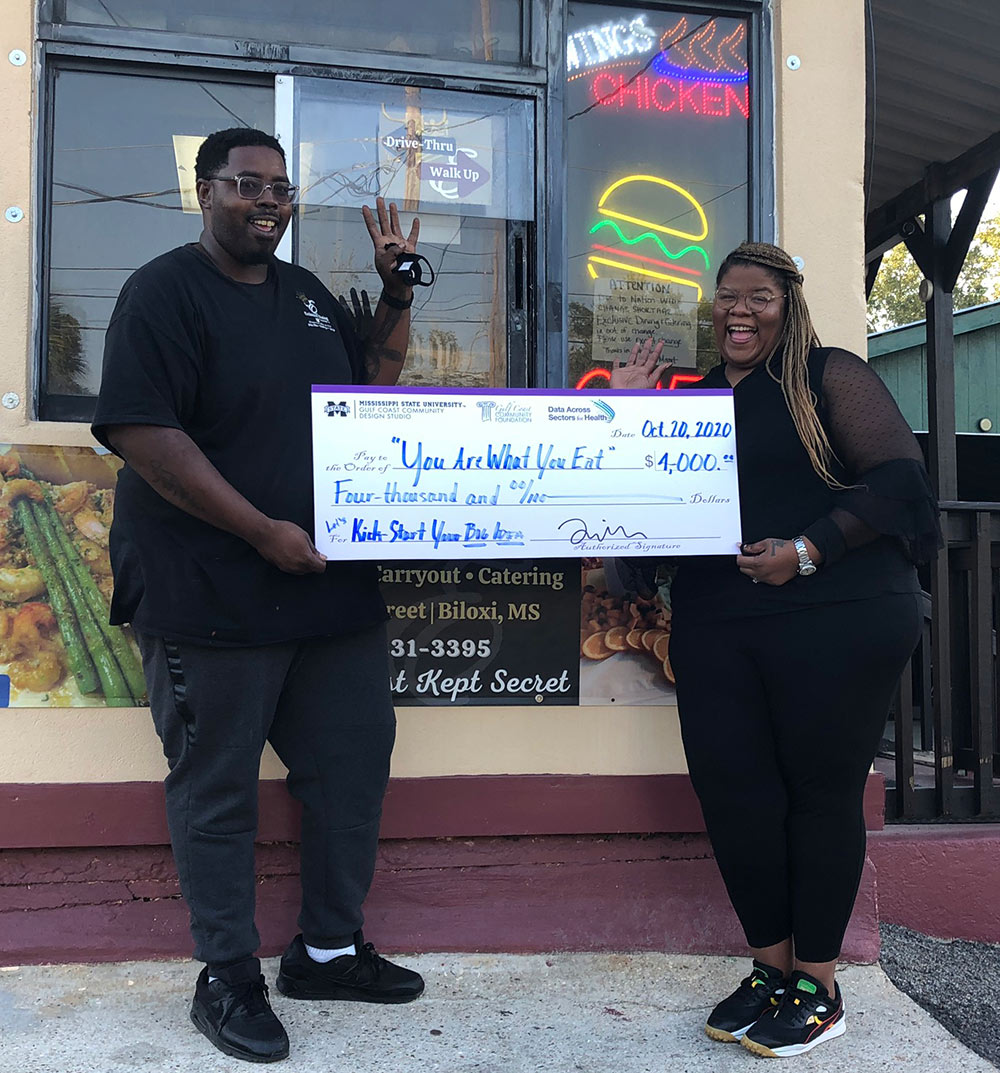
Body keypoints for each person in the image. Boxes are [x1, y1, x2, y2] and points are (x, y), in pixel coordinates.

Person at [92, 127, 425, 1064]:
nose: (268, 200)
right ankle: (227, 974)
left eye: (281, 188)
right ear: (204, 192)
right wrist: (260, 531)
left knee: (351, 774)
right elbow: (145, 436)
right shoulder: (162, 292)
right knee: (218, 789)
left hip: (329, 593)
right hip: (210, 595)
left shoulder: (309, 296)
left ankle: (326, 948)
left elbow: (374, 387)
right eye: (247, 184)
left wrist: (396, 290)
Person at [611, 242, 940, 1059]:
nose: (739, 310)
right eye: (727, 296)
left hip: (839, 611)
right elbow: (632, 518)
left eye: (758, 296)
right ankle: (769, 969)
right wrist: (625, 416)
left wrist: (809, 546)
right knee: (734, 793)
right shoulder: (682, 402)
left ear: (787, 306)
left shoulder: (829, 377)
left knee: (819, 795)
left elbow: (900, 482)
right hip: (719, 622)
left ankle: (818, 983)